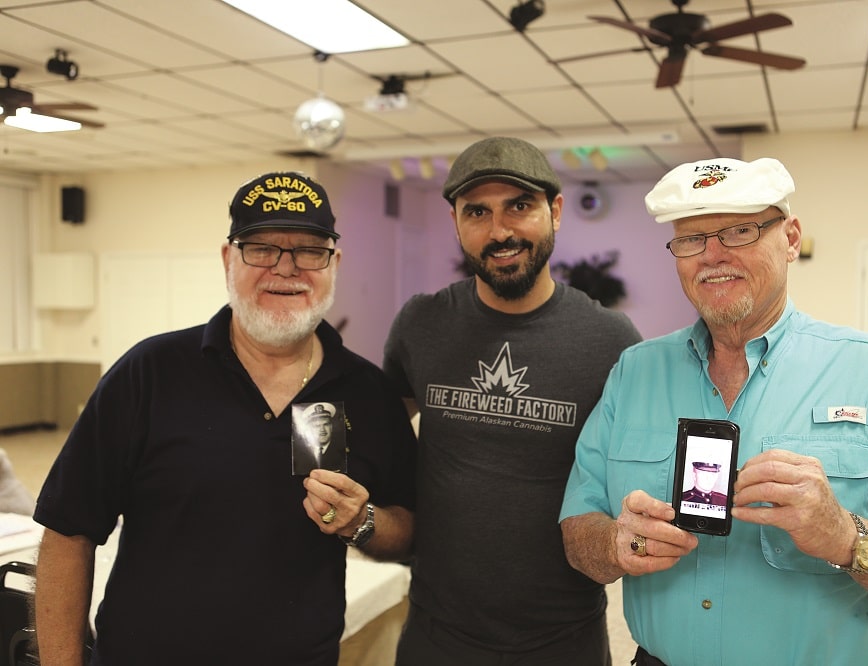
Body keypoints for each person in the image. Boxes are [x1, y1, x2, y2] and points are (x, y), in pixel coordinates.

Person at [559, 157, 868, 666]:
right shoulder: (634, 373)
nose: (713, 256)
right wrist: (613, 542)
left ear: (791, 237)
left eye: (740, 231)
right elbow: (577, 531)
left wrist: (846, 536)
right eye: (692, 238)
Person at [32, 171, 418, 666]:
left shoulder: (368, 393)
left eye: (309, 250)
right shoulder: (148, 374)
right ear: (227, 259)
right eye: (260, 248)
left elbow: (409, 527)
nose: (286, 268)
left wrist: (362, 522)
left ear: (334, 264)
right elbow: (67, 530)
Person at [382, 136, 642, 665]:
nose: (499, 231)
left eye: (519, 207)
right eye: (477, 212)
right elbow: (379, 434)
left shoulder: (609, 339)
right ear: (456, 222)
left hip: (562, 638)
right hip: (437, 634)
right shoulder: (421, 323)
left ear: (556, 212)